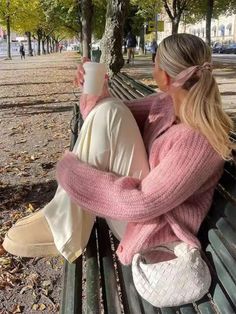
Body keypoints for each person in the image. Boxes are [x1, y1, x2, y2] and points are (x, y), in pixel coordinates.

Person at [3, 34, 234, 269]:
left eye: (154, 62)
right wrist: (95, 88)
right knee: (110, 109)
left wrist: (70, 171)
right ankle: (62, 218)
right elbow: (103, 115)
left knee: (111, 111)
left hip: (149, 229)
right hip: (133, 209)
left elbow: (143, 203)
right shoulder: (166, 103)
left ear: (163, 75)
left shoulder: (199, 141)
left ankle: (63, 226)